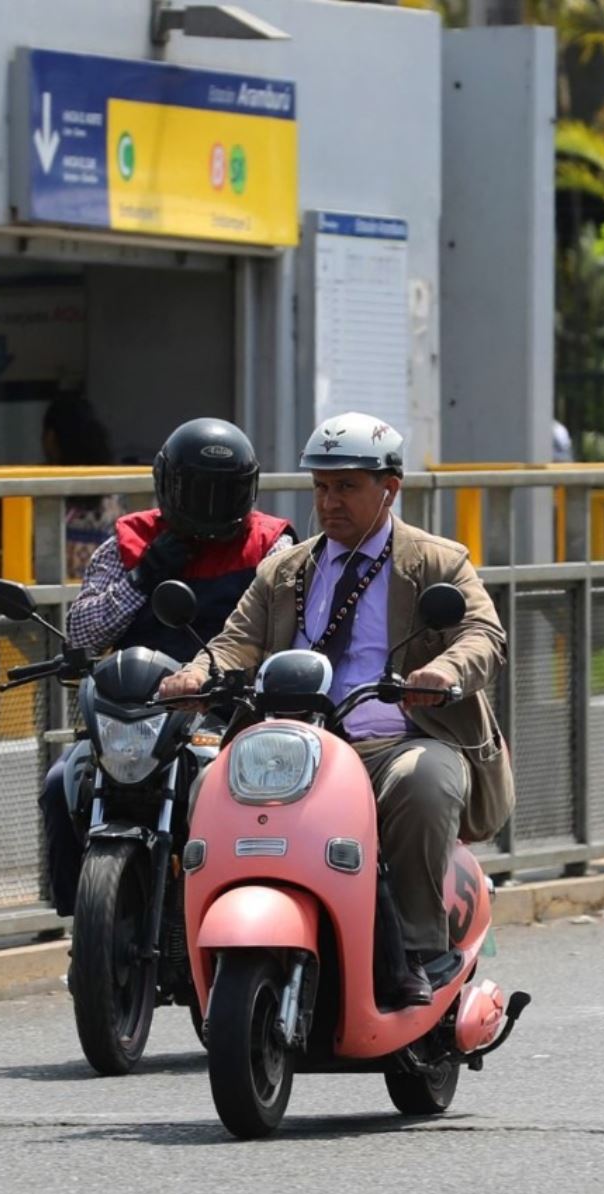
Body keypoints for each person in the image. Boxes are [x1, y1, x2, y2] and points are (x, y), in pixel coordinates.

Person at [156, 412, 513, 1008]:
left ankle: (421, 952)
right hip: (297, 749)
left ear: (389, 488)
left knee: (425, 783)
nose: (329, 501)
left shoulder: (437, 561)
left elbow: (483, 635)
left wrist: (443, 673)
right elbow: (235, 640)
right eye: (320, 487)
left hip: (398, 742)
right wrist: (199, 673)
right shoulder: (287, 568)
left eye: (346, 486)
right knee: (207, 788)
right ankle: (203, 947)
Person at [37, 418, 295, 917]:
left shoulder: (273, 546)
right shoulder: (129, 543)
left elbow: (284, 634)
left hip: (229, 716)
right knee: (59, 783)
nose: (209, 505)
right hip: (134, 715)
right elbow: (84, 632)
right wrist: (144, 575)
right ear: (166, 485)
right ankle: (84, 924)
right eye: (196, 490)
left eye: (224, 492)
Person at [41, 396, 123, 582]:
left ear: (51, 438)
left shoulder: (46, 500)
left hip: (55, 602)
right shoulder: (115, 497)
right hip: (109, 598)